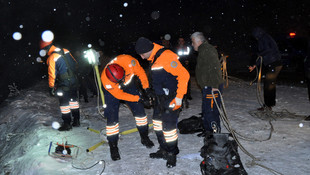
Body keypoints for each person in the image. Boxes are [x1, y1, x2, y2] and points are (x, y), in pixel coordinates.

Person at [135, 37, 190, 168]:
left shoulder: (166, 56)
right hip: (160, 99)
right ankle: (164, 149)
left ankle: (171, 154)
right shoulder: (153, 57)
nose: (142, 58)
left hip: (171, 98)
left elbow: (184, 75)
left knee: (169, 129)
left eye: (142, 54)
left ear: (148, 50)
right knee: (157, 124)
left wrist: (179, 98)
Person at [101, 54, 154, 161]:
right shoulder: (106, 80)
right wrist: (139, 98)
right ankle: (113, 146)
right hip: (113, 92)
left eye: (122, 78)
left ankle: (144, 137)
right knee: (112, 119)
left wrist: (146, 88)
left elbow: (141, 73)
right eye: (119, 81)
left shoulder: (129, 61)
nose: (122, 82)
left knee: (140, 113)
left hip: (129, 86)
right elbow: (120, 95)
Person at [40, 41, 80, 131]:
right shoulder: (65, 50)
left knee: (64, 105)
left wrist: (51, 87)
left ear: (46, 49)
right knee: (73, 101)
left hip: (64, 83)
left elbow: (52, 74)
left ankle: (67, 124)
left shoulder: (52, 57)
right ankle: (76, 120)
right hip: (74, 80)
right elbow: (75, 63)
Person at [190, 32, 224, 134]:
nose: (192, 45)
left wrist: (214, 86)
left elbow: (215, 68)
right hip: (207, 86)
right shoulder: (203, 50)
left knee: (211, 111)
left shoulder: (207, 50)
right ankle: (208, 130)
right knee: (206, 109)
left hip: (211, 86)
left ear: (198, 41)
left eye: (193, 42)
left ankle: (214, 133)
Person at [249, 27, 283, 111]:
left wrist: (259, 54)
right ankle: (270, 104)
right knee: (270, 84)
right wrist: (255, 65)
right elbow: (263, 55)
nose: (255, 38)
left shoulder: (264, 38)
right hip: (275, 63)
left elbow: (267, 50)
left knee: (268, 85)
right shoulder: (265, 37)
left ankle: (268, 106)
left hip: (273, 64)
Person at [174, 37, 192, 108]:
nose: (181, 42)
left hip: (186, 66)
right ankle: (179, 95)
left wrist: (188, 61)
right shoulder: (176, 48)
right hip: (178, 67)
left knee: (187, 81)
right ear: (178, 42)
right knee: (179, 81)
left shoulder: (187, 48)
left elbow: (190, 56)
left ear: (184, 41)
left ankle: (188, 95)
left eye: (182, 41)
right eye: (180, 41)